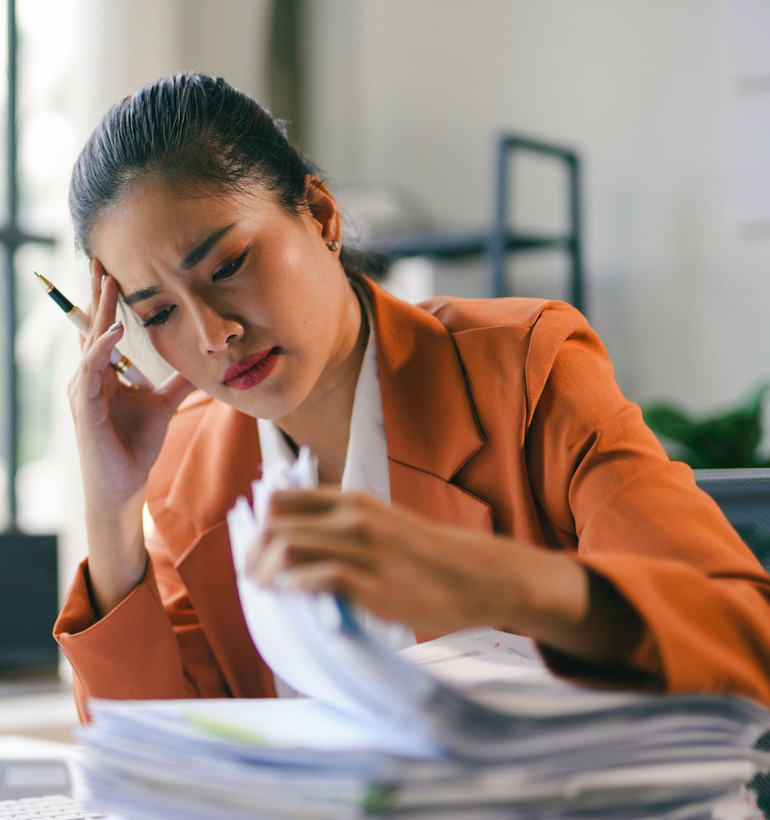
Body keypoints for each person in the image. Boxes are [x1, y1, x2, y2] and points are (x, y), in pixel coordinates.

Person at [52, 72, 770, 722]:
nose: (214, 333)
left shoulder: (526, 371)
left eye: (230, 264)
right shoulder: (190, 461)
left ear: (321, 216)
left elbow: (745, 643)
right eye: (157, 314)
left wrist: (503, 585)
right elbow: (155, 764)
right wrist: (113, 515)